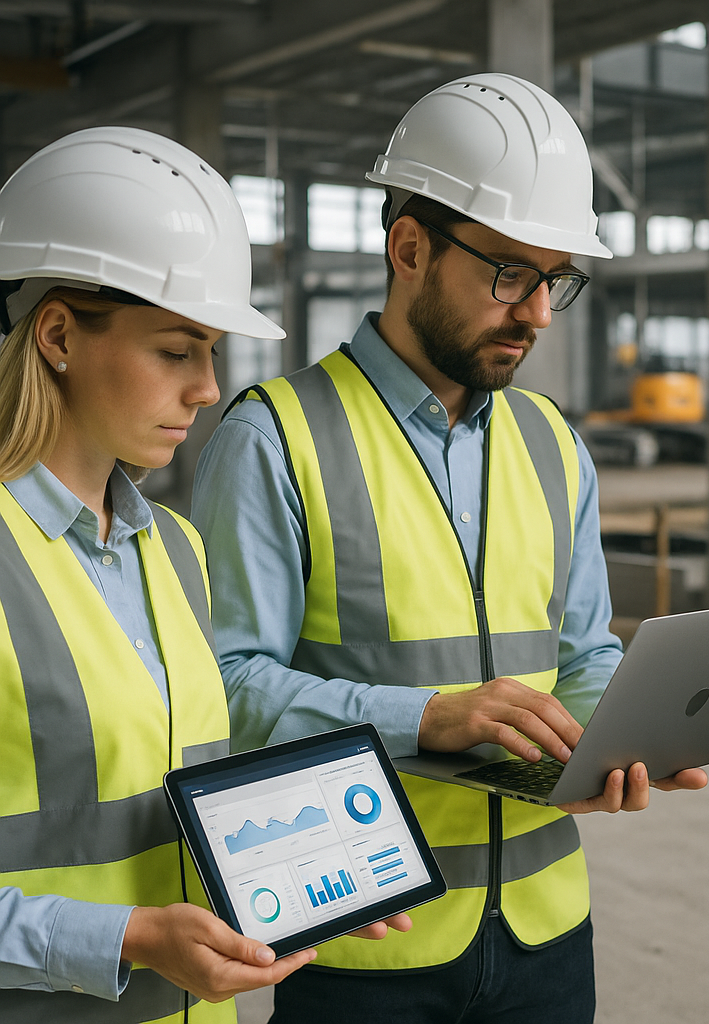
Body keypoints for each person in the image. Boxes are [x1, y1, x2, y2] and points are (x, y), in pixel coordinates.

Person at [191, 72, 707, 1023]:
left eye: (555, 280)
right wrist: (424, 715)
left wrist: (622, 735)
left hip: (546, 934)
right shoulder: (274, 436)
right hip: (364, 943)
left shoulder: (553, 442)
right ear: (409, 247)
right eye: (510, 275)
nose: (539, 314)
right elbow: (221, 688)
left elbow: (584, 649)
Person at [0, 125, 407, 1024]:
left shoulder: (176, 548)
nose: (208, 389)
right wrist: (128, 939)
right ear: (59, 333)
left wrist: (305, 873)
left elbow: (171, 794)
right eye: (177, 351)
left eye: (213, 354)